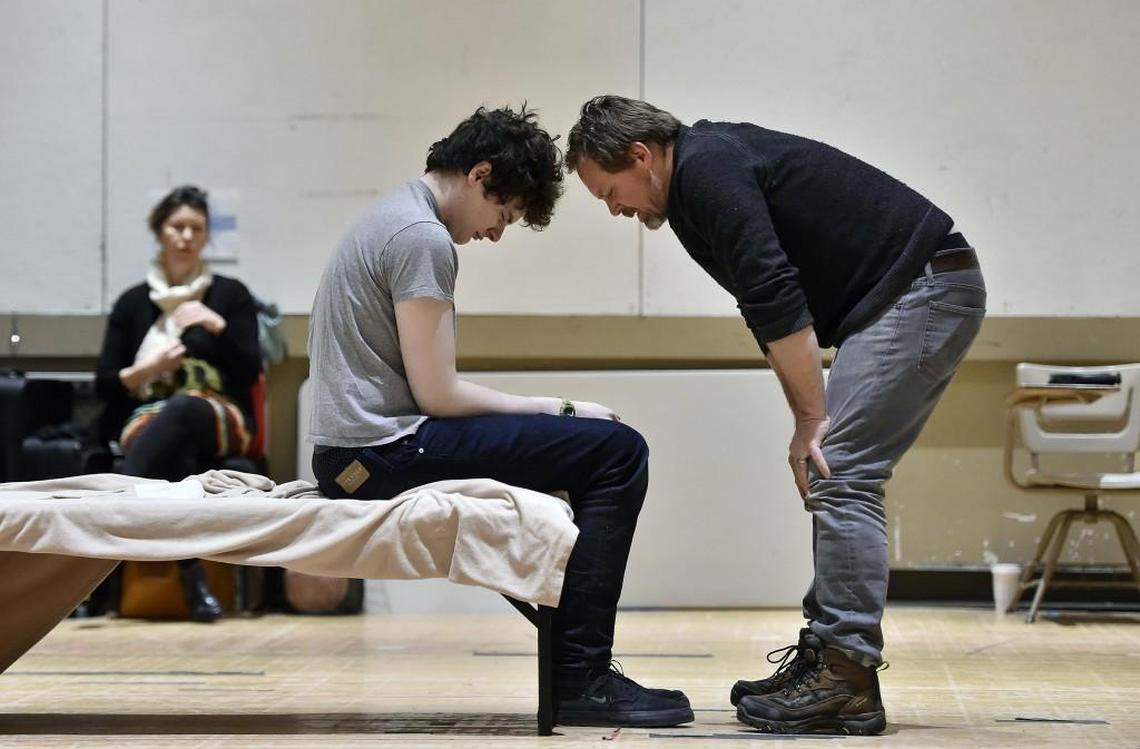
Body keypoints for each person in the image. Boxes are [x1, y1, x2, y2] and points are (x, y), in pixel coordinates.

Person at [566, 95, 986, 736]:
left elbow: (773, 290)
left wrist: (809, 421)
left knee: (840, 471)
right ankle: (827, 653)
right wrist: (806, 417)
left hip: (922, 287)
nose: (616, 208)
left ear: (642, 157)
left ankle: (846, 678)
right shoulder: (690, 192)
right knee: (833, 470)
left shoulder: (707, 169)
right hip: (902, 294)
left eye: (610, 192)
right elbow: (762, 306)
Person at [307, 105, 693, 728]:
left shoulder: (394, 217)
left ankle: (578, 669)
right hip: (376, 457)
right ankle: (581, 678)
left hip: (358, 454)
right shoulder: (421, 238)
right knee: (617, 452)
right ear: (480, 174)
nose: (496, 233)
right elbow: (439, 396)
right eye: (505, 214)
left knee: (592, 448)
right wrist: (564, 407)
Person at [95, 185, 262, 622]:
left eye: (196, 228)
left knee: (185, 409)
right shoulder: (134, 302)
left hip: (219, 413)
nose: (186, 236)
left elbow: (249, 372)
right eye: (177, 227)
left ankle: (102, 539)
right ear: (160, 232)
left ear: (207, 236)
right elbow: (105, 384)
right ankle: (192, 580)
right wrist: (148, 370)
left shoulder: (230, 295)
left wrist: (218, 326)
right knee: (176, 452)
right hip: (148, 417)